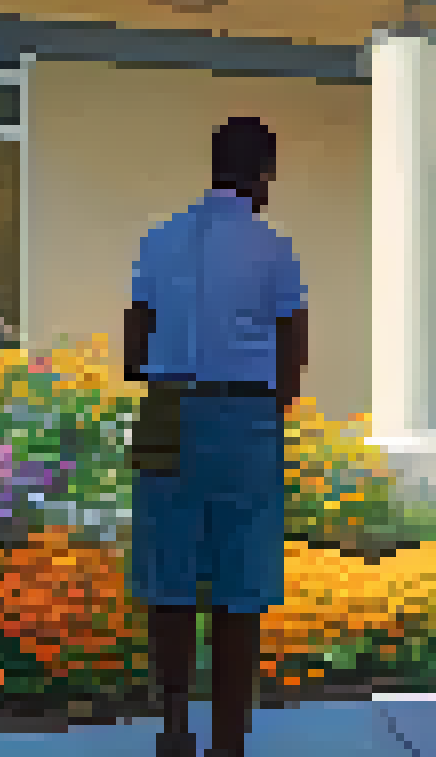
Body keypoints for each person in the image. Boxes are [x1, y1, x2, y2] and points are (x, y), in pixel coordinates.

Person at [123, 117, 309, 757]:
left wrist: (158, 387)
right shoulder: (273, 248)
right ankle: (229, 737)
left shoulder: (159, 239)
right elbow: (293, 350)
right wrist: (267, 411)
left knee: (167, 577)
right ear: (262, 173)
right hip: (243, 414)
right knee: (240, 584)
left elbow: (133, 337)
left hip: (164, 407)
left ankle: (176, 727)